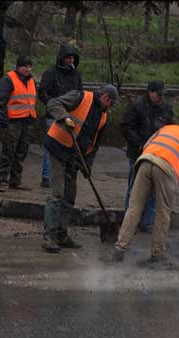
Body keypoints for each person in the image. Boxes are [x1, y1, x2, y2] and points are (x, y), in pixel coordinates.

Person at [110, 122, 179, 267]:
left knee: (134, 208)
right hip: (166, 169)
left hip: (145, 162)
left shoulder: (168, 128)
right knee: (162, 212)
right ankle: (157, 254)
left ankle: (119, 249)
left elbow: (146, 145)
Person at [41, 84, 120, 253]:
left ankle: (61, 235)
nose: (111, 107)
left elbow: (94, 145)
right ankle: (49, 238)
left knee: (69, 196)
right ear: (105, 96)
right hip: (57, 147)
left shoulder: (103, 117)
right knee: (57, 194)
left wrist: (88, 164)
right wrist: (64, 117)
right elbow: (53, 103)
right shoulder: (81, 97)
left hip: (74, 156)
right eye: (111, 102)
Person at [121, 80, 174, 233]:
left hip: (158, 155)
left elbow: (171, 128)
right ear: (150, 92)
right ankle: (130, 222)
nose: (160, 98)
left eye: (162, 95)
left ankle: (147, 222)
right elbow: (126, 126)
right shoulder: (137, 106)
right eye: (158, 95)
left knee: (153, 190)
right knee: (134, 189)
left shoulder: (165, 108)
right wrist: (139, 144)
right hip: (138, 154)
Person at [38, 43, 83, 188]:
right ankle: (47, 177)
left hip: (71, 116)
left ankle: (59, 176)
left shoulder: (76, 75)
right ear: (62, 58)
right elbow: (43, 93)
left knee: (67, 147)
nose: (70, 61)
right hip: (55, 116)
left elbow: (81, 94)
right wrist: (53, 106)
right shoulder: (51, 73)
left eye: (72, 58)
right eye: (68, 58)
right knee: (50, 147)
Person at [0, 55, 37, 192]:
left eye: (30, 67)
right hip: (13, 122)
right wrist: (4, 121)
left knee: (21, 152)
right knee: (9, 151)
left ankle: (15, 180)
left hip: (26, 121)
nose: (28, 69)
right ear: (19, 67)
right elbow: (0, 101)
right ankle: (2, 181)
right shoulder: (8, 79)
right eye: (26, 66)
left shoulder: (30, 81)